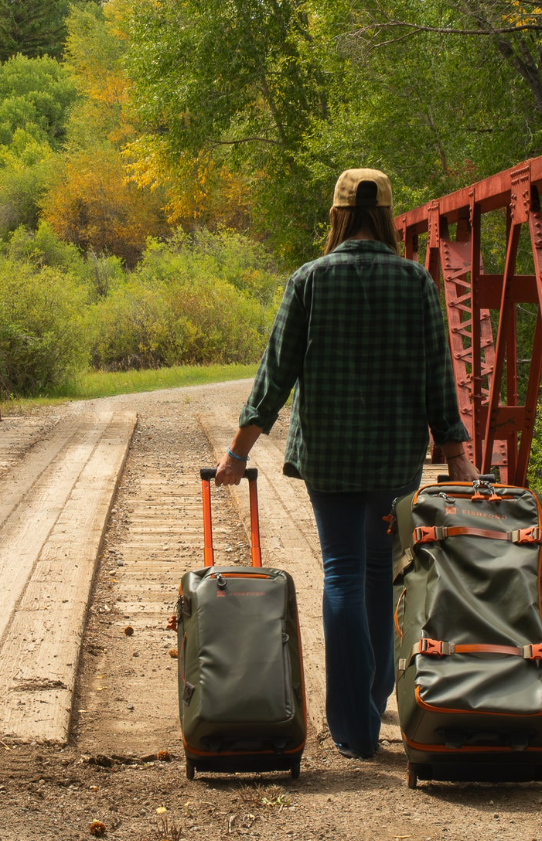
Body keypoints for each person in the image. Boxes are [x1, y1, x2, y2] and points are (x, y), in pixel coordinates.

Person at [214, 167, 476, 760]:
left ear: (336, 214)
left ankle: (354, 729)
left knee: (341, 571)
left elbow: (274, 375)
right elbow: (439, 376)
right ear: (386, 214)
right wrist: (456, 454)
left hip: (330, 454)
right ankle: (375, 694)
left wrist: (238, 453)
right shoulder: (415, 282)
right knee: (380, 569)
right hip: (392, 455)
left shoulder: (309, 280)